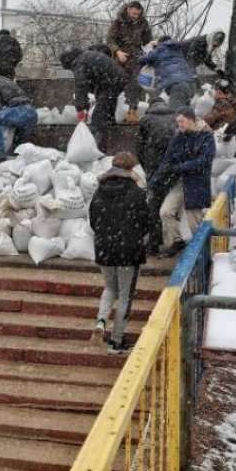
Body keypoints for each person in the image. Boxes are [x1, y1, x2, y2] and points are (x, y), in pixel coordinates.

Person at [89, 152, 150, 354]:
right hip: (128, 251)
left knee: (109, 288)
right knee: (125, 296)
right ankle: (116, 342)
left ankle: (100, 322)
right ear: (131, 170)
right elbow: (146, 223)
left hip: (104, 248)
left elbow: (93, 222)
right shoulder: (138, 193)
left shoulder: (99, 192)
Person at [149, 107, 215, 258]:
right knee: (165, 212)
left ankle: (203, 253)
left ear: (191, 119)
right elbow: (167, 160)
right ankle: (175, 242)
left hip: (197, 183)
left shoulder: (206, 135)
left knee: (195, 222)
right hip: (180, 181)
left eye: (182, 121)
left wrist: (181, 167)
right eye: (177, 121)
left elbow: (205, 160)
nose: (179, 124)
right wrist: (154, 181)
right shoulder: (179, 136)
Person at [59, 46, 128, 153]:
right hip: (115, 79)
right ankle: (110, 122)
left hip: (111, 82)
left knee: (98, 118)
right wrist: (85, 106)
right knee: (107, 104)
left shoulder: (79, 63)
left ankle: (98, 151)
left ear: (68, 62)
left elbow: (81, 86)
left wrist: (80, 109)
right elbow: (93, 82)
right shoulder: (86, 56)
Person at [137, 97, 177, 253]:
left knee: (154, 204)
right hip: (172, 167)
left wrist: (146, 165)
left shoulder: (146, 119)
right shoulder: (175, 118)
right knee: (171, 206)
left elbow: (139, 147)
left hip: (154, 168)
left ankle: (154, 242)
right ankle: (171, 241)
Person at [107, 1, 153, 122]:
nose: (135, 16)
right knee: (116, 84)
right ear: (128, 10)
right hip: (121, 57)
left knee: (135, 84)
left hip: (137, 58)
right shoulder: (118, 23)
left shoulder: (143, 23)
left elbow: (148, 41)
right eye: (133, 13)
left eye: (137, 14)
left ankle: (132, 111)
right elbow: (110, 40)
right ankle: (110, 113)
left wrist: (150, 49)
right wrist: (117, 51)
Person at [0, 70, 37, 161]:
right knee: (18, 149)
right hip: (31, 113)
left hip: (20, 111)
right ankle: (18, 155)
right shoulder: (7, 81)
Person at [139, 36, 197, 109]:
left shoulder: (160, 49)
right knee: (184, 115)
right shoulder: (178, 49)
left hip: (177, 85)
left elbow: (144, 59)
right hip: (190, 85)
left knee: (174, 114)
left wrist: (148, 49)